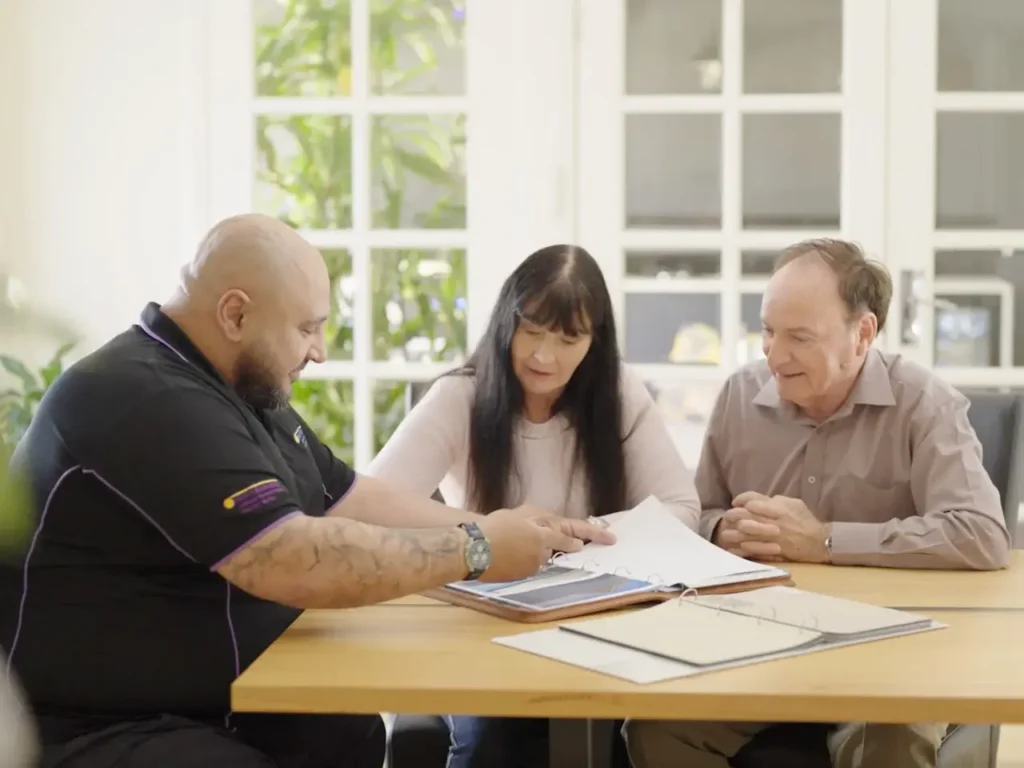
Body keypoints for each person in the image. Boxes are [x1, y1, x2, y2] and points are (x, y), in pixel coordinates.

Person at [0, 214, 612, 768]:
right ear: (235, 314)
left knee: (347, 733)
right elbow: (288, 557)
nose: (318, 352)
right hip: (96, 727)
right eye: (307, 329)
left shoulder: (232, 384)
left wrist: (505, 529)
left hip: (215, 695)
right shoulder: (145, 398)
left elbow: (346, 496)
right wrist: (477, 549)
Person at [623, 238, 1011, 768]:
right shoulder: (739, 396)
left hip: (891, 649)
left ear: (863, 333)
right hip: (755, 640)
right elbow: (698, 514)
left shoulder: (925, 403)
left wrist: (825, 539)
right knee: (656, 727)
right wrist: (720, 531)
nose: (774, 355)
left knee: (893, 735)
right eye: (767, 330)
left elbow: (981, 534)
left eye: (799, 337)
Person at [368, 244, 701, 768]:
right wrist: (494, 531)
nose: (545, 355)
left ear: (595, 341)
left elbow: (682, 507)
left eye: (569, 338)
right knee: (488, 738)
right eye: (532, 330)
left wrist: (586, 535)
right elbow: (374, 504)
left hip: (599, 617)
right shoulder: (461, 397)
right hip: (486, 619)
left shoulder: (619, 395)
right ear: (507, 321)